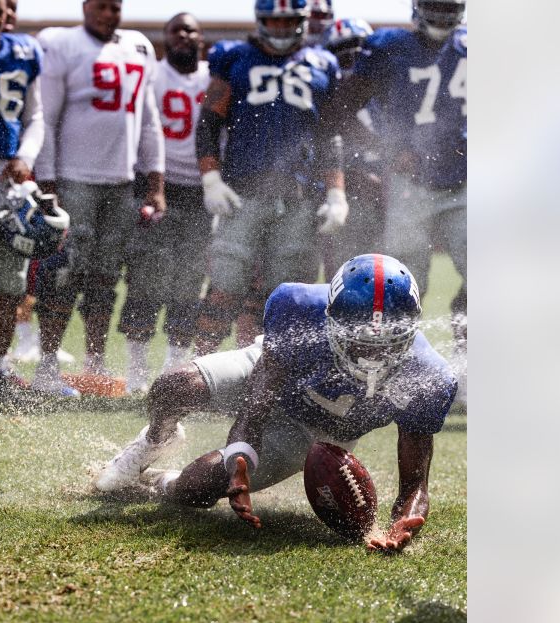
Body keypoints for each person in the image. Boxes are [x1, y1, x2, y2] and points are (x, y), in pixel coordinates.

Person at [95, 254, 457, 554]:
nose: (372, 356)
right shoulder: (296, 308)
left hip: (320, 435)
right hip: (274, 380)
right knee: (172, 386)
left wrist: (403, 523)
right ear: (330, 320)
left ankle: (163, 481)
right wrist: (240, 452)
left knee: (196, 488)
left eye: (388, 342)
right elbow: (257, 403)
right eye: (359, 341)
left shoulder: (428, 377)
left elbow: (415, 486)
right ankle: (153, 442)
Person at [191, 0, 348, 357]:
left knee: (291, 293)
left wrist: (336, 193)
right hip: (243, 192)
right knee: (226, 284)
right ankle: (199, 367)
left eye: (289, 21)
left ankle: (277, 375)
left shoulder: (323, 63)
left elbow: (330, 135)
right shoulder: (233, 58)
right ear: (261, 21)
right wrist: (211, 179)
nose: (281, 29)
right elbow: (208, 123)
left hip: (299, 197)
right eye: (274, 22)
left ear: (302, 21)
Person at [32, 0, 165, 396]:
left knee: (106, 277)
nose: (109, 14)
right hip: (73, 180)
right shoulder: (63, 44)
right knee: (63, 273)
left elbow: (149, 118)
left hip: (120, 183)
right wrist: (48, 182)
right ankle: (47, 364)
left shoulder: (139, 46)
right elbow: (47, 116)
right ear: (86, 6)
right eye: (102, 6)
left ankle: (94, 365)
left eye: (116, 7)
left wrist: (156, 182)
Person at [338, 0, 467, 396]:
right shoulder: (389, 47)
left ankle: (466, 368)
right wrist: (389, 149)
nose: (442, 12)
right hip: (411, 184)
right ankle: (395, 370)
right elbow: (341, 108)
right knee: (403, 285)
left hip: (465, 181)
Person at [115, 13, 212, 395]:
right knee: (146, 274)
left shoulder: (212, 76)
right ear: (165, 39)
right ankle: (137, 370)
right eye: (177, 30)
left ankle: (175, 370)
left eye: (191, 29)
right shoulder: (153, 73)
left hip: (201, 188)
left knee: (190, 279)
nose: (184, 35)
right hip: (158, 183)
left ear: (201, 38)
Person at [0, 0, 45, 401]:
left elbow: (35, 115)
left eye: (2, 8)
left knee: (9, 285)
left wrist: (25, 155)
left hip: (5, 180)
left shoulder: (23, 52)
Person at [319, 17, 385, 272]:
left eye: (357, 55)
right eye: (343, 57)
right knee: (341, 270)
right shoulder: (323, 95)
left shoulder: (386, 91)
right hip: (344, 194)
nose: (352, 64)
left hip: (386, 190)